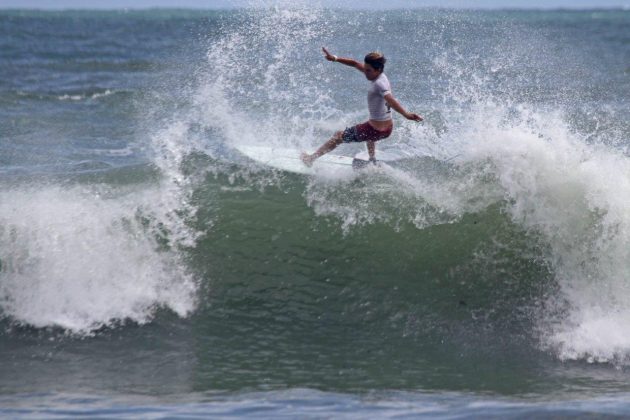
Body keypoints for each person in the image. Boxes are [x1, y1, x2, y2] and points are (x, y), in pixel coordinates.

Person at [301, 47, 423, 167]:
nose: (365, 72)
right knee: (369, 129)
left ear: (378, 69)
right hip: (386, 130)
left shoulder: (380, 84)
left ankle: (311, 159)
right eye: (365, 69)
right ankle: (372, 159)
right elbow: (354, 63)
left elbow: (390, 100)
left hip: (375, 130)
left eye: (368, 70)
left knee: (338, 136)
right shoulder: (380, 76)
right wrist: (334, 58)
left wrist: (406, 114)